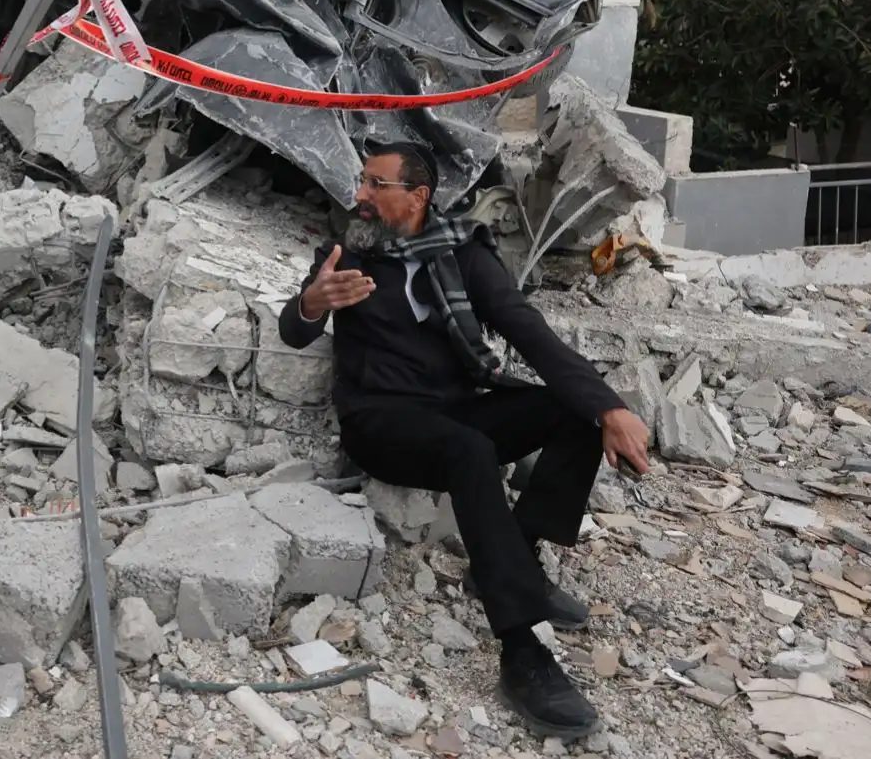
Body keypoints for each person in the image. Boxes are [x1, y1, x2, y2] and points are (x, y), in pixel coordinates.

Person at [279, 139, 651, 741]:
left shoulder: (464, 255)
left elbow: (531, 334)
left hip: (453, 410)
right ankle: (522, 650)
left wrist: (609, 406)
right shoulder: (347, 253)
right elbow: (295, 330)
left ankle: (514, 558)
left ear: (418, 197)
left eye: (377, 185)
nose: (361, 196)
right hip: (380, 421)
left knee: (570, 411)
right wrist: (310, 303)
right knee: (469, 450)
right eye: (361, 183)